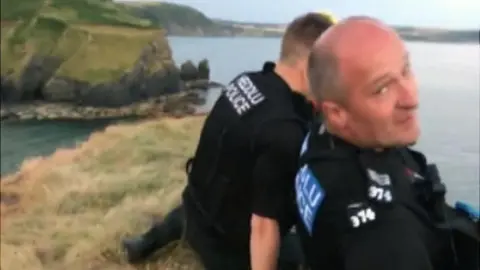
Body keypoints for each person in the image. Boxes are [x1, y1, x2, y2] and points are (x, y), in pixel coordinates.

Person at [122, 12, 336, 270]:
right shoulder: (285, 130)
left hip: (193, 209)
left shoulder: (245, 81)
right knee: (318, 251)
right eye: (330, 68)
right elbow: (263, 227)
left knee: (212, 191)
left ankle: (146, 242)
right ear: (310, 66)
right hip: (225, 248)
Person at [294, 16, 480, 270]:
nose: (411, 97)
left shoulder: (324, 134)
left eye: (405, 69)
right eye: (382, 89)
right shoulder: (385, 238)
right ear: (337, 113)